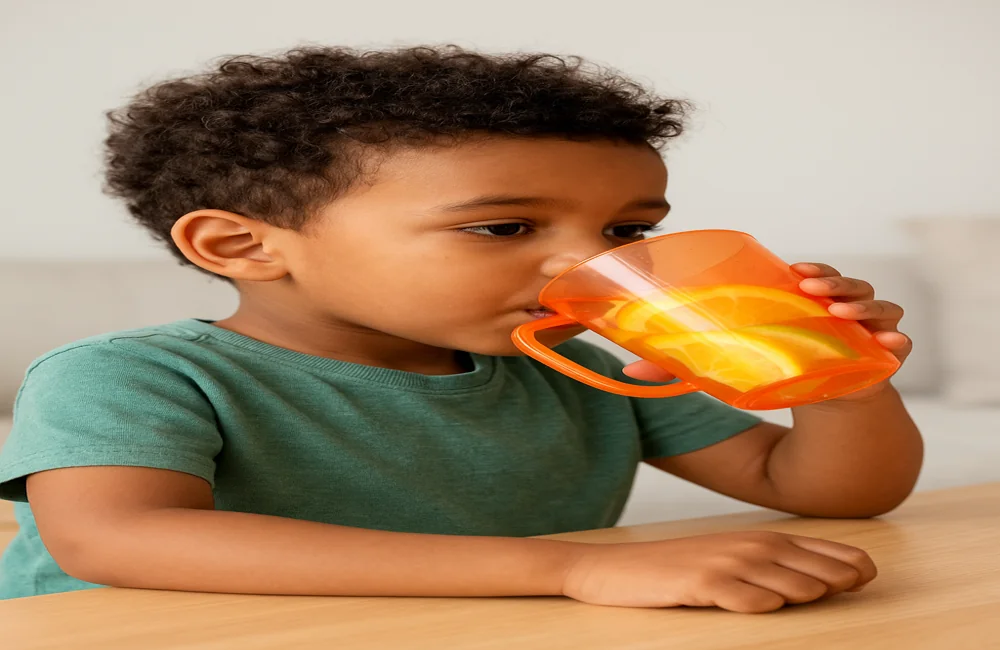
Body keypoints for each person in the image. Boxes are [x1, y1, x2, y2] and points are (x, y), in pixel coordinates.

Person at [0, 46, 922, 611]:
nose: (586, 264)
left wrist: (843, 378)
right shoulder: (128, 376)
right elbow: (117, 541)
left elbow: (825, 492)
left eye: (627, 232)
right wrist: (566, 571)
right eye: (504, 228)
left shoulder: (572, 365)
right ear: (241, 245)